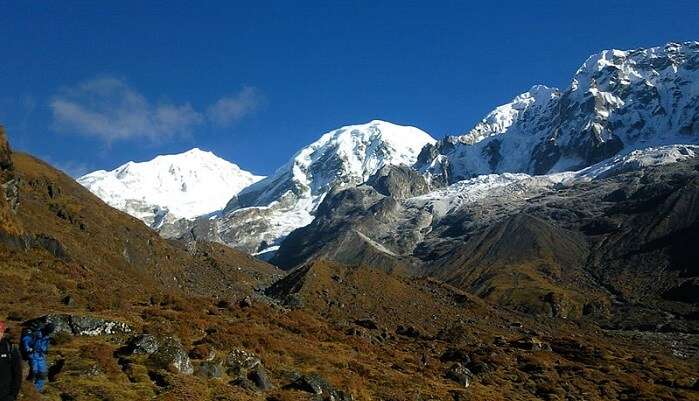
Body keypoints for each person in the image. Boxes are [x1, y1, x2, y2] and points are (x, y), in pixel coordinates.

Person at [21, 322, 54, 392]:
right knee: (34, 371)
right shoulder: (36, 333)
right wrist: (28, 349)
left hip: (41, 355)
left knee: (43, 373)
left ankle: (37, 390)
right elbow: (26, 340)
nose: (48, 333)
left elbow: (46, 346)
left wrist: (45, 350)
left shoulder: (47, 336)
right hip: (33, 354)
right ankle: (29, 389)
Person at [0, 320, 21, 401]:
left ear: (2, 333)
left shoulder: (10, 348)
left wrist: (13, 395)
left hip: (5, 396)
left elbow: (17, 374)